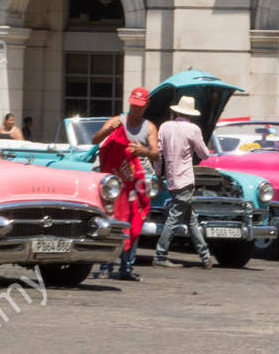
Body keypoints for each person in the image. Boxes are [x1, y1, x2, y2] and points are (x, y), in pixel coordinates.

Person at [90, 87, 159, 281]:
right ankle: (105, 266)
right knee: (112, 221)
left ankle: (126, 267)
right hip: (114, 182)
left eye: (139, 106)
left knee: (133, 221)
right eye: (133, 105)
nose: (135, 109)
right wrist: (107, 131)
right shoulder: (116, 121)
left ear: (146, 106)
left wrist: (142, 151)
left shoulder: (149, 127)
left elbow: (156, 154)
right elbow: (95, 140)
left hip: (137, 181)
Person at [154, 95, 212, 269]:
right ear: (191, 114)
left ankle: (205, 257)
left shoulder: (164, 127)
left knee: (191, 219)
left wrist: (158, 174)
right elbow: (204, 155)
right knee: (174, 219)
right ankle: (160, 254)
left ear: (176, 111)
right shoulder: (193, 129)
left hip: (171, 179)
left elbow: (157, 154)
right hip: (185, 179)